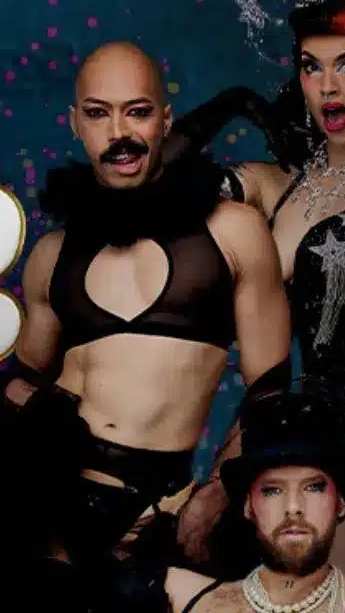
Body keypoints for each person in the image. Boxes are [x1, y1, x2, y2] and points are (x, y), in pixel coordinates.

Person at [169, 0, 345, 572]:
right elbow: (163, 178)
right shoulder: (279, 187)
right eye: (312, 67)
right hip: (289, 432)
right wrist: (238, 102)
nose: (328, 86)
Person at [0, 42, 291, 589]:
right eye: (98, 114)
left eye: (136, 112)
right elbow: (22, 382)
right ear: (75, 124)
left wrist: (217, 491)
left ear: (165, 120)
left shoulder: (232, 232)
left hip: (155, 514)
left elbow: (270, 394)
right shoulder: (53, 255)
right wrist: (41, 419)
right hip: (45, 518)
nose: (119, 133)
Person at [166, 389, 345, 612]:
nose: (293, 507)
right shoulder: (188, 597)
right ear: (249, 506)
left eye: (313, 488)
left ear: (340, 503)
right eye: (272, 490)